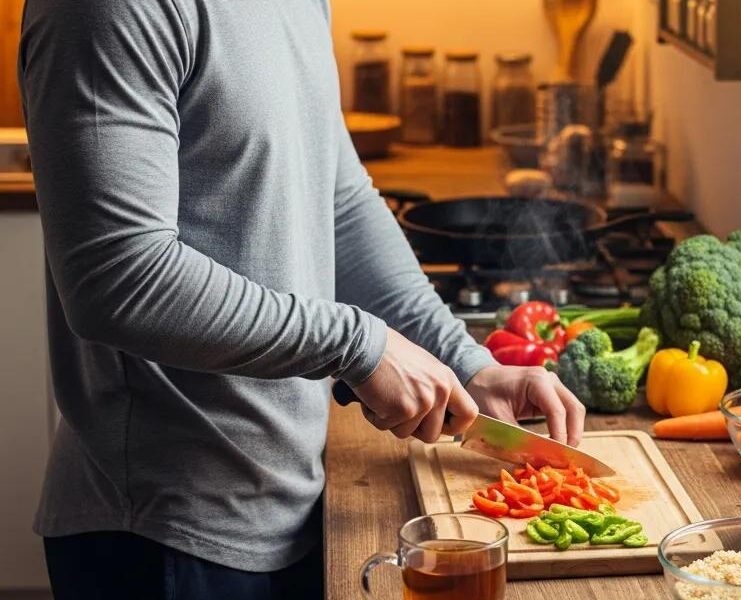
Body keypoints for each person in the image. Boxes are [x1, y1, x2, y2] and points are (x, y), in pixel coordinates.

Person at [18, 1, 585, 598]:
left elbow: (340, 206)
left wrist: (464, 363)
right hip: (165, 537)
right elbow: (118, 275)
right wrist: (356, 344)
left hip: (297, 500)